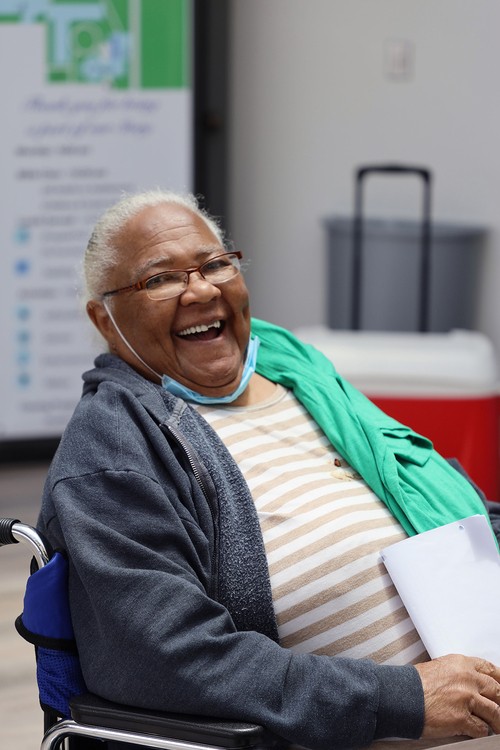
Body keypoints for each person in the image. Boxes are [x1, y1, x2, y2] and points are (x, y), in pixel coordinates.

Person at [38, 189, 500, 750]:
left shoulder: (294, 368)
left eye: (215, 264)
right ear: (105, 320)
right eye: (160, 279)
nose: (201, 290)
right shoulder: (113, 451)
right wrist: (402, 699)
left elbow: (429, 491)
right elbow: (167, 657)